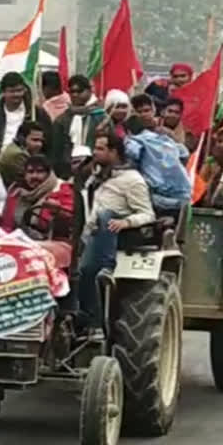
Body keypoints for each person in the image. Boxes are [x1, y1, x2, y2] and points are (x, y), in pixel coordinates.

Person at [78, 132, 155, 336]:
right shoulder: (96, 177)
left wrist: (126, 222)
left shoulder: (132, 180)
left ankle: (106, 272)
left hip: (115, 236)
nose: (95, 152)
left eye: (100, 149)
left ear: (114, 152)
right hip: (91, 234)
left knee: (87, 270)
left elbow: (148, 214)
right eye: (95, 148)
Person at [0, 155, 74, 239]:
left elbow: (72, 222)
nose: (34, 176)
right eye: (30, 172)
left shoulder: (62, 189)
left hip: (50, 245)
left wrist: (58, 211)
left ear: (48, 173)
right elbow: (7, 225)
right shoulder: (17, 192)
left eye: (40, 172)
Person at [125, 118, 190, 211]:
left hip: (162, 196)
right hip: (185, 193)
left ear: (129, 131)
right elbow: (185, 153)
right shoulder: (164, 138)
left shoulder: (135, 140)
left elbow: (133, 152)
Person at [0, 71, 52, 157]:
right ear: (3, 92)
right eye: (12, 91)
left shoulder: (36, 112)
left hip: (28, 161)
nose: (16, 95)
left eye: (19, 90)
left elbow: (49, 140)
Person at [51, 74, 105, 179]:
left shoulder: (101, 117)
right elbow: (56, 151)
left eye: (79, 91)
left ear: (89, 91)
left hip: (95, 171)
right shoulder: (62, 119)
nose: (75, 95)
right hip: (67, 173)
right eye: (72, 92)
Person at [0, 122, 46, 186]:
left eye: (41, 141)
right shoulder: (18, 154)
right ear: (22, 139)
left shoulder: (14, 146)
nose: (39, 144)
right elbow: (30, 183)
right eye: (35, 140)